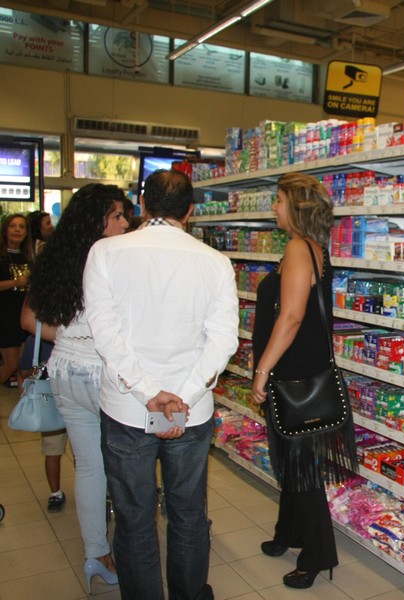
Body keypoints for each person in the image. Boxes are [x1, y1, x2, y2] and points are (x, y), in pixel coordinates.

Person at [83, 169, 239, 600]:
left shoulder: (106, 252)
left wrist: (148, 393)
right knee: (188, 514)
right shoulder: (214, 262)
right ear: (189, 211)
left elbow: (104, 333)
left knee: (134, 518)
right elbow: (223, 340)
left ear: (142, 204)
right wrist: (182, 396)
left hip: (127, 409)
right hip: (192, 411)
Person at [251, 172, 358, 590]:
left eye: (278, 200)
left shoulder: (298, 248)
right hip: (299, 370)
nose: (274, 207)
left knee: (301, 466)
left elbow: (292, 316)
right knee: (291, 461)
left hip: (294, 375)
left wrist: (262, 370)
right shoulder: (311, 247)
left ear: (295, 207)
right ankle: (288, 532)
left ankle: (317, 554)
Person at [23, 184, 129, 592]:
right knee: (125, 465)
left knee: (88, 467)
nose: (125, 223)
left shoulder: (57, 258)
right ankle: (131, 548)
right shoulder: (112, 259)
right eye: (117, 215)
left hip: (64, 369)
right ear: (96, 221)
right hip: (103, 373)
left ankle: (96, 554)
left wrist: (71, 339)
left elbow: (30, 319)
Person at [21, 208, 68, 514]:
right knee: (57, 443)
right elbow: (28, 324)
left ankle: (57, 492)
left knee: (56, 444)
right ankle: (56, 491)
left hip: (55, 377)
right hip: (57, 375)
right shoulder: (55, 289)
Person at [0, 214, 33, 387]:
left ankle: (24, 402)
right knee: (11, 363)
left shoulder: (29, 258)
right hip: (5, 317)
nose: (17, 230)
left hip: (23, 317)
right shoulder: (2, 257)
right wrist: (15, 282)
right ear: (5, 230)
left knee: (24, 368)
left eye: (21, 226)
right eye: (13, 226)